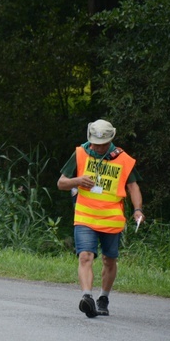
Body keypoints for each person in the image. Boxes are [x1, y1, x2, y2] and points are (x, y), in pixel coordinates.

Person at [57, 119, 144, 318]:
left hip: (111, 219)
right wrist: (77, 181)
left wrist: (138, 209)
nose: (98, 147)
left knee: (109, 260)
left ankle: (103, 298)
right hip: (85, 215)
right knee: (85, 256)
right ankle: (87, 297)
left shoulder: (123, 159)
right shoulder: (80, 153)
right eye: (95, 142)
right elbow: (61, 183)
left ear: (111, 139)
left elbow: (133, 187)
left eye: (102, 144)